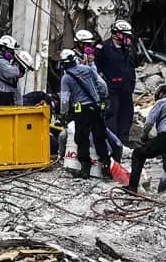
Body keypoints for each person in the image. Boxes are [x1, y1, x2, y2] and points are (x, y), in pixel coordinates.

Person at [58, 48, 111, 178]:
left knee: (82, 139)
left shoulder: (66, 78)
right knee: (99, 137)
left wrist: (63, 113)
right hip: (96, 108)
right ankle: (105, 164)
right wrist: (102, 99)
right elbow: (102, 85)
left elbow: (65, 99)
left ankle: (85, 169)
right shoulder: (87, 69)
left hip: (81, 111)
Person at [96, 19, 136, 143]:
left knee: (126, 115)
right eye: (125, 34)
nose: (127, 37)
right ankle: (112, 143)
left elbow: (132, 66)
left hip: (126, 89)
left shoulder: (128, 50)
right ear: (116, 34)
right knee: (112, 115)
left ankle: (123, 143)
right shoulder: (103, 48)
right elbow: (96, 69)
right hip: (111, 89)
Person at [0, 35, 24, 106]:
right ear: (3, 48)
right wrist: (18, 66)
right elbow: (13, 72)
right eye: (11, 50)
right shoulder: (0, 63)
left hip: (9, 101)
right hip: (3, 101)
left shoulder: (6, 63)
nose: (12, 53)